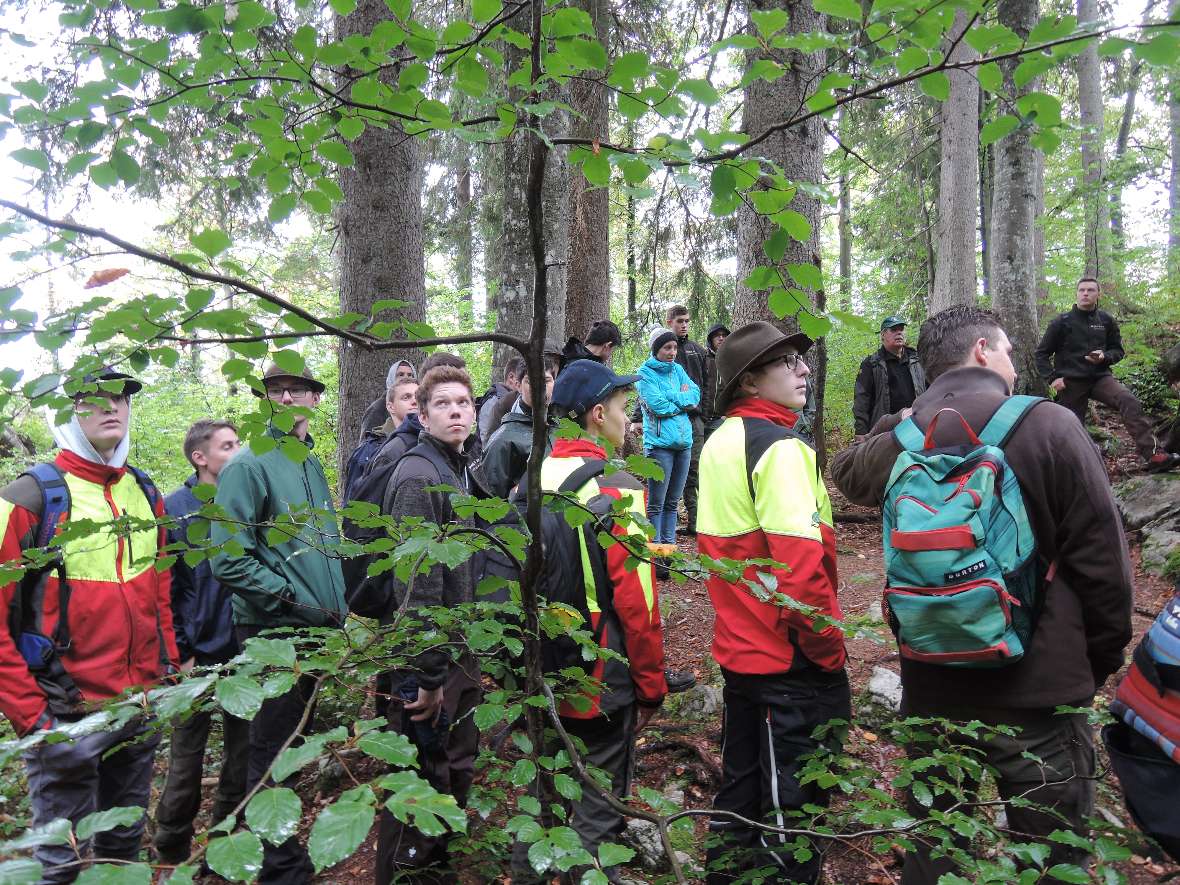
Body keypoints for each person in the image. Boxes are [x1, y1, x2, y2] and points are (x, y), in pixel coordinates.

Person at [831, 305, 1134, 883]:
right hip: (1039, 691)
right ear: (981, 352)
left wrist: (894, 421)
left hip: (933, 679)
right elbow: (1104, 568)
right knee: (1053, 856)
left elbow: (846, 475)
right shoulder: (1049, 425)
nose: (1016, 365)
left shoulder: (905, 434)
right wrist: (1093, 664)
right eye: (1009, 352)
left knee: (936, 848)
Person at [0, 367, 179, 883]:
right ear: (64, 412)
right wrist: (36, 723)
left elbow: (159, 595)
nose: (111, 407)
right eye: (92, 399)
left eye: (120, 398)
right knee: (64, 863)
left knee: (123, 853)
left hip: (138, 707)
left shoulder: (143, 492)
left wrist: (165, 679)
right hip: (65, 714)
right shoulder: (29, 498)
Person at [697, 323, 849, 885]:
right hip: (788, 660)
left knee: (740, 792)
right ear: (750, 380)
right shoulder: (780, 448)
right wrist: (829, 654)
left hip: (743, 650)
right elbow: (801, 575)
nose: (803, 370)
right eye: (786, 361)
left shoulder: (719, 441)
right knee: (793, 808)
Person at [511, 359, 668, 884]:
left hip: (539, 667)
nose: (631, 423)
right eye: (626, 411)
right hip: (600, 673)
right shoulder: (617, 486)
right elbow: (638, 602)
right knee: (600, 803)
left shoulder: (530, 478)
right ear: (598, 415)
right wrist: (651, 684)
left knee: (542, 797)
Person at [211, 363, 348, 884]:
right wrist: (289, 598)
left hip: (313, 630)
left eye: (298, 390)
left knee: (291, 749)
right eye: (275, 390)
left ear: (315, 399)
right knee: (270, 751)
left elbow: (316, 547)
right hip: (274, 632)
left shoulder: (308, 464)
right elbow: (228, 558)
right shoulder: (249, 465)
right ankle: (276, 869)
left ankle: (281, 854)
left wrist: (332, 603)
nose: (287, 397)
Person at [374, 364, 489, 884]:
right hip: (428, 657)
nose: (456, 411)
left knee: (454, 765)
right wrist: (428, 674)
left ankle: (437, 863)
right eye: (443, 404)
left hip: (458, 649)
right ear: (421, 414)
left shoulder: (457, 466)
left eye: (463, 402)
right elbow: (414, 586)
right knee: (420, 779)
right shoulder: (419, 475)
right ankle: (406, 871)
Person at [154, 420, 248, 865]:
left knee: (241, 758)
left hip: (246, 653)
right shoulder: (174, 509)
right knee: (186, 761)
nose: (238, 451)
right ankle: (170, 851)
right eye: (228, 446)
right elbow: (164, 591)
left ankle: (224, 850)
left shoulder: (244, 501)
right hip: (195, 658)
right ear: (200, 457)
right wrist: (181, 655)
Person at [1035, 277, 1179, 472]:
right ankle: (1077, 469)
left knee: (1128, 400)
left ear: (1098, 294)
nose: (1085, 293)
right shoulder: (1062, 322)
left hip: (1100, 378)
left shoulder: (1106, 320)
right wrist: (1053, 378)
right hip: (1071, 381)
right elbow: (1041, 354)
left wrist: (1104, 356)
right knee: (1072, 425)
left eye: (1091, 290)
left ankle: (1154, 455)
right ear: (1077, 293)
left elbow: (1118, 351)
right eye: (1082, 290)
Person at [637, 329, 699, 549]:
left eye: (674, 347)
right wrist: (682, 401)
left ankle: (668, 554)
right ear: (656, 349)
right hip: (659, 446)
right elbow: (658, 406)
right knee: (657, 503)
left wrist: (674, 397)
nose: (672, 352)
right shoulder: (645, 373)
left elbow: (695, 395)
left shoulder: (678, 370)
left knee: (672, 503)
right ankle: (656, 555)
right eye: (667, 348)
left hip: (683, 444)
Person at [481, 353, 558, 499]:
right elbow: (489, 502)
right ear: (518, 385)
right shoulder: (503, 440)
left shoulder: (561, 430)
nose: (540, 387)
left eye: (546, 381)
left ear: (554, 383)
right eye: (531, 381)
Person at [343, 372, 421, 504]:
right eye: (406, 397)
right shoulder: (369, 450)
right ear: (390, 406)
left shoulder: (431, 443)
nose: (414, 401)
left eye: (419, 397)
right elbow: (353, 508)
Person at [665, 306, 709, 535]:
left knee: (696, 470)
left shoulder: (697, 350)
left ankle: (701, 521)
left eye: (687, 321)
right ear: (669, 321)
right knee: (674, 471)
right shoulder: (663, 351)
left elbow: (706, 384)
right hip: (670, 419)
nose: (684, 325)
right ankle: (680, 523)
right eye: (680, 321)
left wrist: (706, 415)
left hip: (694, 419)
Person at [853, 315, 926, 439]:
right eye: (893, 330)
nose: (899, 333)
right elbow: (861, 400)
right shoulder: (871, 364)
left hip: (917, 426)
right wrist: (861, 432)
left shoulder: (918, 359)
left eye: (901, 329)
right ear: (883, 335)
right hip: (885, 431)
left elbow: (931, 389)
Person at [359, 359, 417, 440]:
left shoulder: (419, 405)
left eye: (410, 375)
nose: (405, 378)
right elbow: (367, 444)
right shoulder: (377, 409)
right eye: (400, 374)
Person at [477, 356, 525, 443]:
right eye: (522, 378)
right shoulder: (494, 400)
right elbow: (485, 437)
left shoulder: (516, 401)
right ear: (511, 377)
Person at [703, 322, 730, 435]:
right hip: (701, 418)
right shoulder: (703, 358)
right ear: (711, 339)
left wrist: (728, 414)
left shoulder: (731, 360)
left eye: (724, 335)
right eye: (717, 335)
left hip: (722, 419)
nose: (721, 338)